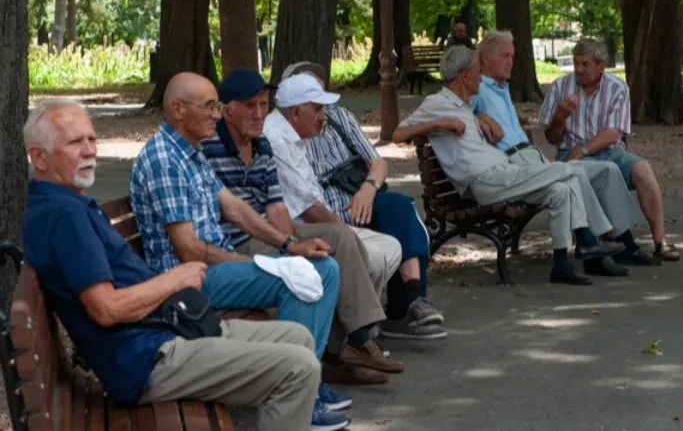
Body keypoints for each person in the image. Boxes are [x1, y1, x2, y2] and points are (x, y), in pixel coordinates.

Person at [21, 99, 338, 431]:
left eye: (91, 139)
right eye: (75, 142)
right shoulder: (65, 217)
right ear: (39, 157)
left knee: (298, 338)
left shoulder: (64, 205)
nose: (90, 151)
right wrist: (175, 280)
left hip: (165, 331)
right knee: (299, 367)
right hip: (148, 359)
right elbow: (106, 308)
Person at [129, 73, 355, 426]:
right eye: (208, 107)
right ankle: (299, 398)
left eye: (216, 106)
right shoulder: (163, 160)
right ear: (177, 109)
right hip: (189, 283)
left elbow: (234, 208)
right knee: (298, 277)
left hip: (213, 269)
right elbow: (188, 249)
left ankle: (304, 386)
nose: (216, 115)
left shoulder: (191, 154)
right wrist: (263, 265)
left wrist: (288, 246)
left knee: (320, 267)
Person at [203, 69, 404, 386]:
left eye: (261, 104)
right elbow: (235, 214)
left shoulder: (262, 145)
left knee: (338, 237)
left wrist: (291, 241)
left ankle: (356, 340)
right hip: (238, 243)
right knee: (319, 264)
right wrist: (290, 248)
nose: (259, 114)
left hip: (268, 232)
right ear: (226, 109)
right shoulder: (209, 147)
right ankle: (321, 362)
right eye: (249, 106)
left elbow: (276, 205)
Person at [392, 46, 617, 285]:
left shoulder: (465, 104)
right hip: (485, 181)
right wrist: (440, 123)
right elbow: (398, 134)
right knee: (569, 170)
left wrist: (480, 119)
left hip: (503, 173)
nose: (480, 77)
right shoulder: (436, 103)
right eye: (478, 71)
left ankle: (561, 265)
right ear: (464, 75)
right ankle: (590, 241)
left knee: (559, 191)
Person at [273, 62, 446, 340]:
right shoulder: (288, 135)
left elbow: (377, 162)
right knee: (368, 241)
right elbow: (301, 199)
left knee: (399, 207)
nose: (321, 106)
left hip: (357, 195)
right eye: (313, 98)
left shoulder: (338, 117)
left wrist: (368, 188)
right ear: (296, 105)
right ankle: (362, 331)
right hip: (323, 210)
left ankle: (412, 303)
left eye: (320, 89)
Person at [471, 31, 646, 276]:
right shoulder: (476, 89)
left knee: (607, 170)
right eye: (505, 55)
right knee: (570, 174)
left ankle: (613, 243)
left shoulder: (502, 88)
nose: (511, 61)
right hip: (511, 164)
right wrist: (476, 117)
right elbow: (456, 111)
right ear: (486, 58)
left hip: (531, 157)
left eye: (513, 55)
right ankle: (594, 244)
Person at [540, 38, 682, 262]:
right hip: (569, 154)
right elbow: (551, 138)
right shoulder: (560, 87)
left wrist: (583, 149)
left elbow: (613, 134)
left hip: (607, 150)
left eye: (585, 64)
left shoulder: (617, 88)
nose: (578, 69)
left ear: (601, 65)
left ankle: (660, 241)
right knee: (591, 175)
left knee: (643, 169)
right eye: (576, 63)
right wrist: (559, 117)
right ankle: (616, 242)